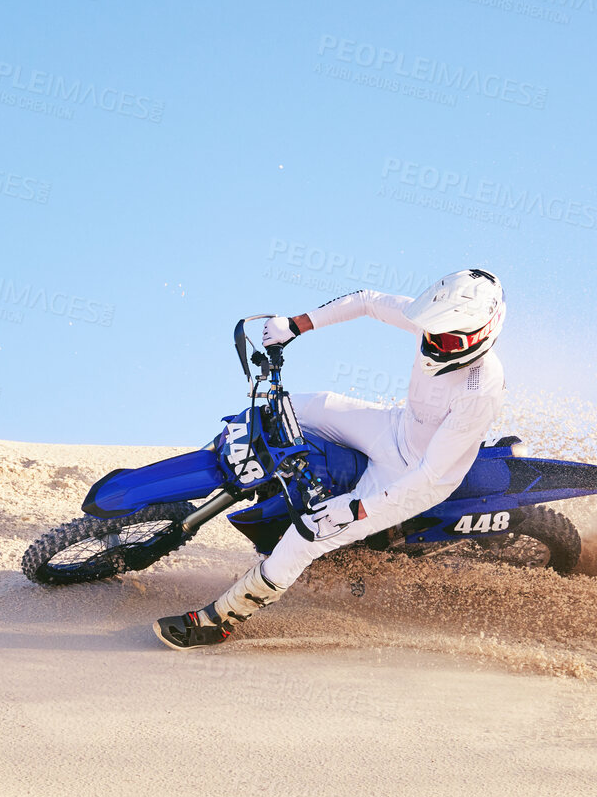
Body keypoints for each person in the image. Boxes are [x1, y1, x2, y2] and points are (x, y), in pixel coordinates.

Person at [153, 268, 507, 649]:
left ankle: (219, 619)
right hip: (395, 428)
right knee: (291, 408)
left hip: (412, 477)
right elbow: (368, 301)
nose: (436, 342)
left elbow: (430, 474)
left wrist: (358, 510)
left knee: (308, 534)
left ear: (485, 333)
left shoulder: (480, 388)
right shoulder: (437, 326)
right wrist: (295, 325)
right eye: (431, 331)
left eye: (449, 339)